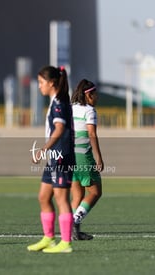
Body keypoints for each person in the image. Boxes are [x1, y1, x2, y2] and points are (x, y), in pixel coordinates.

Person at [27, 66, 75, 253]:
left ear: (52, 83)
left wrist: (42, 149)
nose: (39, 87)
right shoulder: (55, 101)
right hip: (54, 158)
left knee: (61, 198)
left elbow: (59, 129)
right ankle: (49, 238)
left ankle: (65, 242)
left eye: (41, 83)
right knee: (43, 197)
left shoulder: (59, 103)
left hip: (61, 156)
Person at [70, 79, 103, 240]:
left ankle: (71, 230)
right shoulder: (89, 111)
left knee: (77, 196)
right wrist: (99, 157)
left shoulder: (71, 109)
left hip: (69, 157)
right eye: (95, 94)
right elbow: (91, 134)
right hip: (83, 156)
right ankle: (75, 222)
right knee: (95, 192)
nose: (97, 97)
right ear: (89, 95)